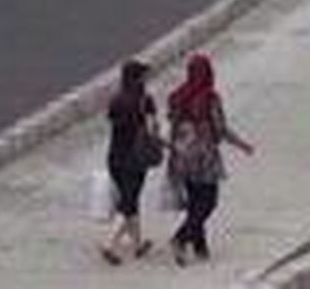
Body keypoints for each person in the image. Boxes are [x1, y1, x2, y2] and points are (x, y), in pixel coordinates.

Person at [166, 54, 254, 266]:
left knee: (195, 201)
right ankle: (180, 238)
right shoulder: (209, 98)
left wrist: (173, 152)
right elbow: (221, 128)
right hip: (204, 156)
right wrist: (242, 145)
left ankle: (200, 247)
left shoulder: (177, 96)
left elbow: (172, 125)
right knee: (208, 202)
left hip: (182, 155)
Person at [101, 60, 160, 265]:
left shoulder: (116, 99)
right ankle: (110, 244)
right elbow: (153, 128)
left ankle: (138, 244)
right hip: (136, 158)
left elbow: (112, 122)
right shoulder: (145, 100)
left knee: (131, 198)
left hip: (114, 156)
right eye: (143, 76)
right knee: (128, 201)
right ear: (138, 79)